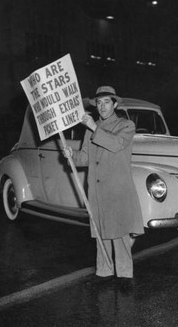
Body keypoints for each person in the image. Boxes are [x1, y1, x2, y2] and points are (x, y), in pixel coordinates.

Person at [62, 86, 144, 281]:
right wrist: (71, 155)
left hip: (117, 191)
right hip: (97, 191)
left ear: (114, 104)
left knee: (119, 235)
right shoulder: (92, 127)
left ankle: (125, 277)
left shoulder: (126, 125)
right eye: (99, 103)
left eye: (107, 102)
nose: (102, 106)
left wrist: (93, 127)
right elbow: (84, 159)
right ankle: (104, 274)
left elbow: (115, 144)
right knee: (101, 236)